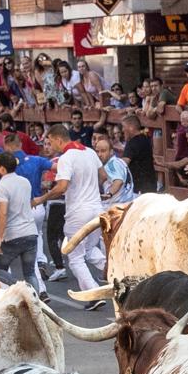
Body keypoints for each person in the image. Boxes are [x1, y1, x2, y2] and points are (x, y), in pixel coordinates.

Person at [33, 124, 107, 309]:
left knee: (75, 257)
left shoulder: (66, 158)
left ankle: (93, 294)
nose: (51, 146)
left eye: (50, 142)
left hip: (78, 212)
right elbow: (104, 176)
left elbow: (62, 186)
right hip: (96, 208)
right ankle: (116, 274)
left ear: (58, 139)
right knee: (89, 251)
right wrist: (90, 189)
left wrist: (42, 197)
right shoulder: (90, 152)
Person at [0, 151, 47, 298]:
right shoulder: (24, 181)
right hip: (30, 232)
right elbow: (20, 203)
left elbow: (3, 213)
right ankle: (36, 301)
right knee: (29, 272)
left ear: (2, 169)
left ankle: (19, 286)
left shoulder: (0, 186)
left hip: (13, 235)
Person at [121, 114, 156, 194]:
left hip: (139, 187)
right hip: (151, 184)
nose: (122, 130)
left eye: (123, 126)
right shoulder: (146, 139)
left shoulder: (132, 143)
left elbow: (123, 163)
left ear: (131, 127)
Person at [96, 136, 135, 208]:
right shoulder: (120, 161)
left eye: (103, 151)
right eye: (97, 151)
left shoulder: (111, 164)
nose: (99, 155)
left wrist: (109, 194)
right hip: (127, 202)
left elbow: (118, 181)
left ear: (111, 151)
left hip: (116, 206)